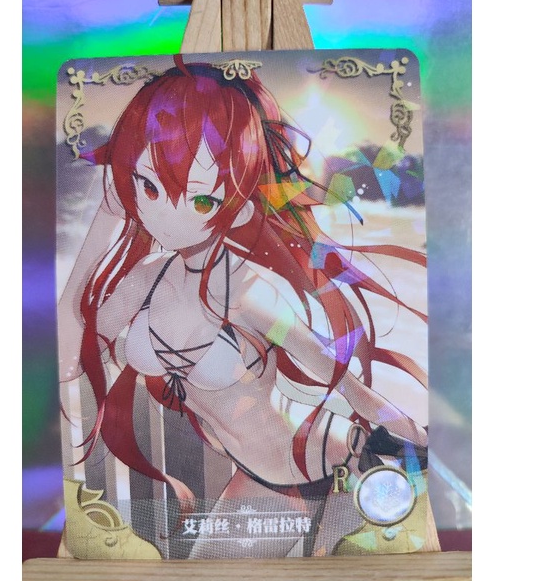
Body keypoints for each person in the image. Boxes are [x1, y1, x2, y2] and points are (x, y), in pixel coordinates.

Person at [58, 55, 428, 558]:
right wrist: (105, 217)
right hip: (258, 474)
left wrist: (413, 434)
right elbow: (71, 354)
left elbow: (332, 370)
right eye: (148, 185)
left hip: (334, 460)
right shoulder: (145, 280)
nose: (166, 214)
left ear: (239, 208)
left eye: (201, 200)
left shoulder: (244, 288)